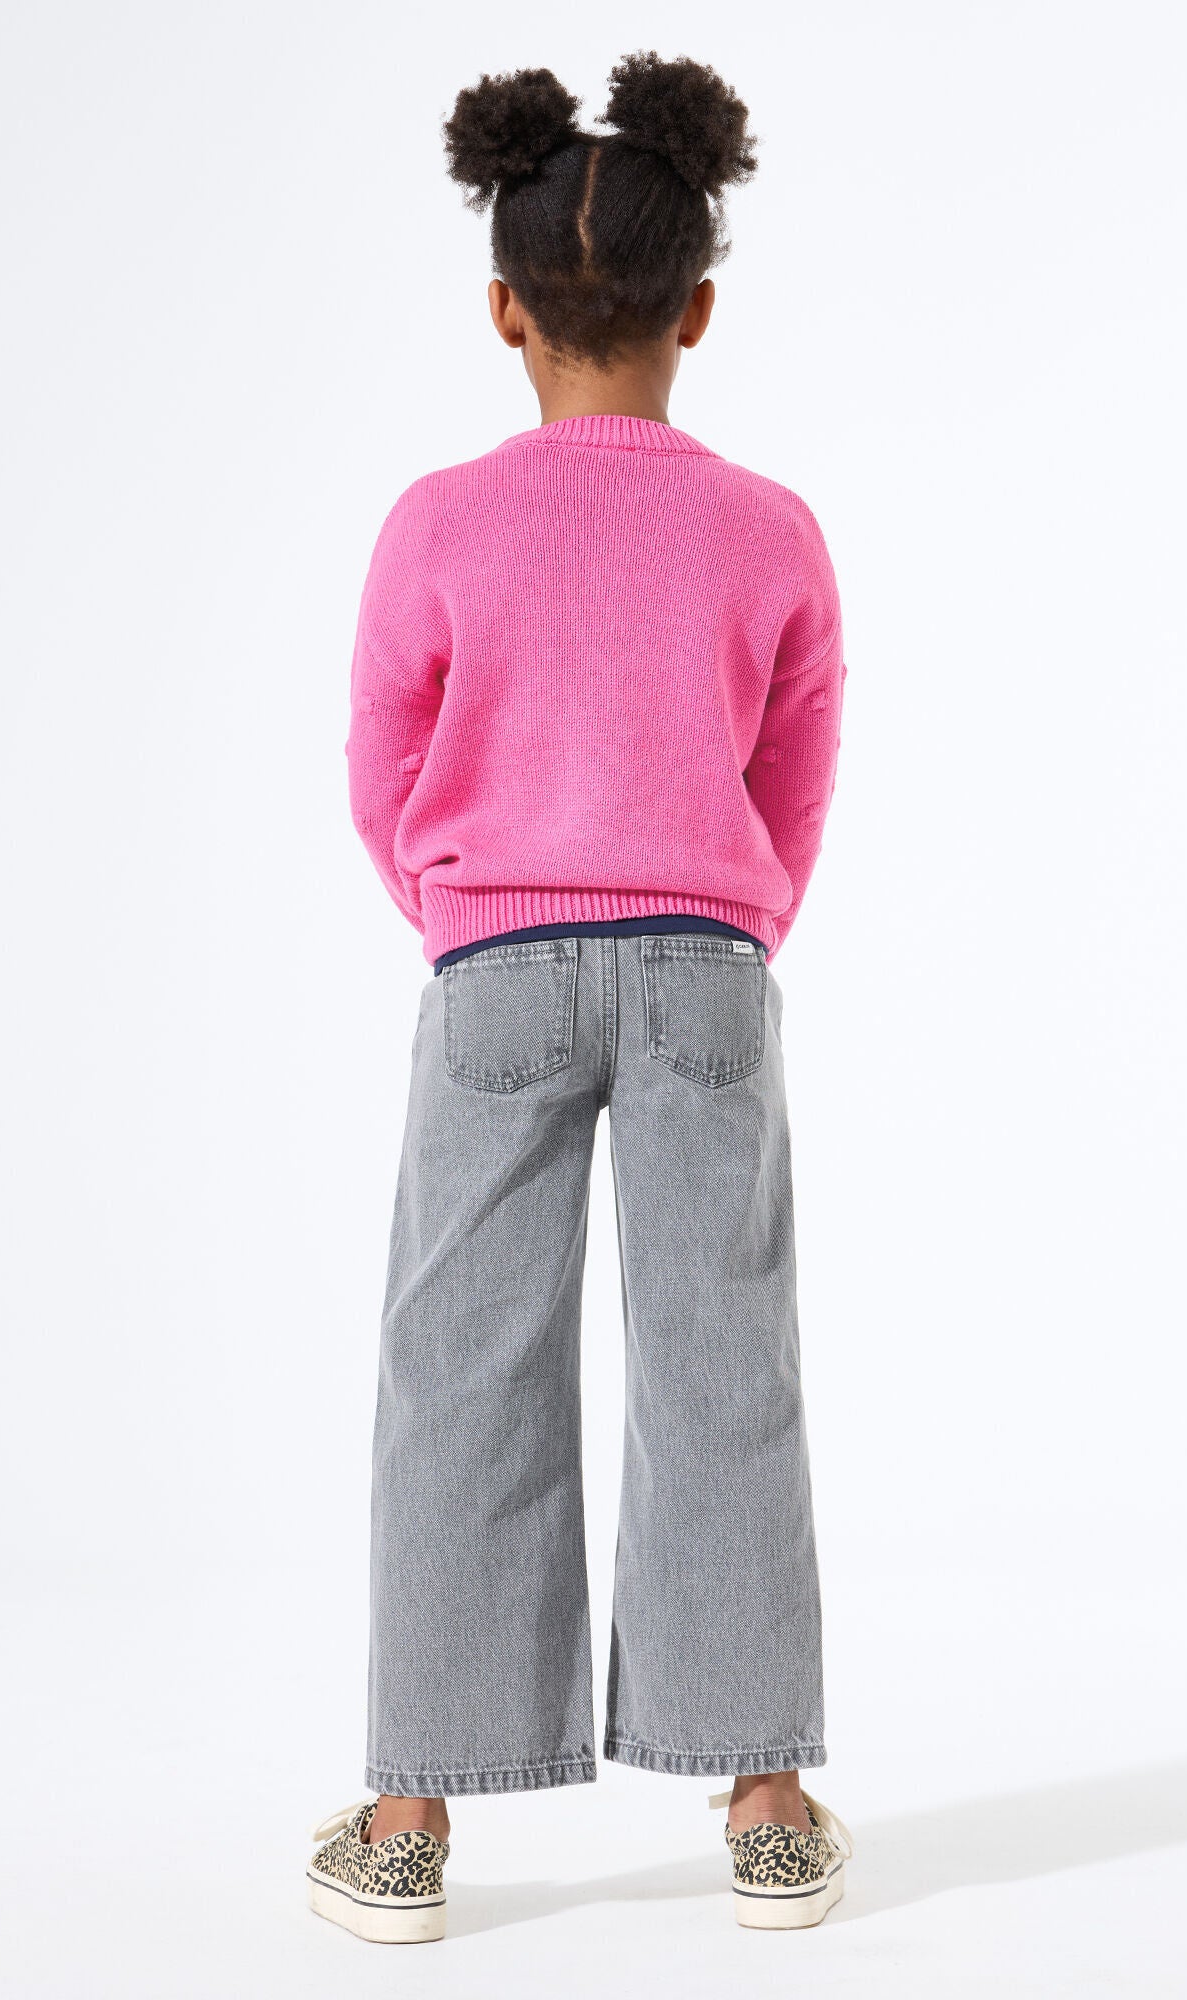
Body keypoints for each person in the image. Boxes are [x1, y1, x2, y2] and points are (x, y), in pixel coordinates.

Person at [307, 52, 851, 1943]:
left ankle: (405, 1828)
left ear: (504, 311)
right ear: (697, 310)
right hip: (706, 968)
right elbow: (793, 774)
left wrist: (463, 916)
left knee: (457, 1377)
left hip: (495, 975)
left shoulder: (437, 520)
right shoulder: (769, 528)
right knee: (724, 1373)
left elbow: (380, 760)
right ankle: (764, 1804)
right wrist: (733, 921)